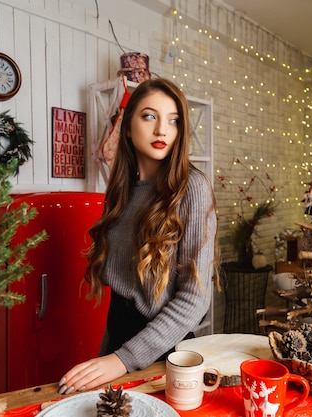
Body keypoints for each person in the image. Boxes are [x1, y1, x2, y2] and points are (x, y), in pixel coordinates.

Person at [58, 78, 220, 395]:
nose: (162, 130)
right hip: (120, 344)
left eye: (173, 120)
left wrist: (121, 360)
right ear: (128, 128)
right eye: (149, 116)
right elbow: (122, 298)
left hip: (163, 352)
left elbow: (195, 299)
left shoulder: (191, 188)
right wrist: (107, 356)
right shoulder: (122, 192)